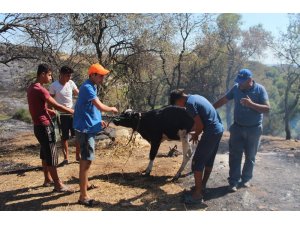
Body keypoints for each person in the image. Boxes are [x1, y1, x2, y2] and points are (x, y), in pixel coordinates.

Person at [214, 68, 270, 192]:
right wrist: (210, 108)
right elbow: (224, 100)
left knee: (250, 156)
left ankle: (246, 179)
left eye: (242, 81)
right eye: (238, 81)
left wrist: (251, 104)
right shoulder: (236, 88)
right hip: (237, 128)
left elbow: (267, 109)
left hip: (254, 129)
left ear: (250, 80)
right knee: (235, 156)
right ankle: (233, 181)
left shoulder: (260, 90)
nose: (239, 84)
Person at [73, 63, 118, 207]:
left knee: (87, 159)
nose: (103, 77)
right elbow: (99, 106)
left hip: (89, 126)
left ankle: (85, 185)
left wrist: (99, 121)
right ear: (92, 75)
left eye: (104, 75)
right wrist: (111, 109)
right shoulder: (87, 87)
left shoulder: (93, 86)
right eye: (101, 75)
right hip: (85, 129)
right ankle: (83, 196)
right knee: (86, 161)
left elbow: (92, 108)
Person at [170, 89, 224, 204]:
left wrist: (196, 135)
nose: (179, 106)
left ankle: (197, 195)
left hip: (211, 131)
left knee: (197, 162)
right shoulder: (196, 96)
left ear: (179, 100)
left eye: (176, 104)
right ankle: (202, 186)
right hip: (218, 129)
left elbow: (200, 125)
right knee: (209, 159)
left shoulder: (189, 105)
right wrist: (195, 130)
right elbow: (202, 119)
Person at [27, 64, 74, 191]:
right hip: (45, 126)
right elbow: (57, 105)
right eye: (49, 75)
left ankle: (47, 179)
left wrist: (48, 110)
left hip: (38, 126)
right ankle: (58, 185)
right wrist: (71, 111)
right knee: (52, 154)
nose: (50, 77)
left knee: (44, 152)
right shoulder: (41, 90)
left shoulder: (31, 87)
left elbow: (37, 106)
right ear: (42, 74)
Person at [49, 66, 80, 165]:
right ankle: (66, 158)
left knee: (77, 134)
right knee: (64, 137)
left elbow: (78, 94)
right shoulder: (54, 86)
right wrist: (52, 112)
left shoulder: (71, 83)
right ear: (61, 75)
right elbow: (50, 101)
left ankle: (78, 156)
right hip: (61, 115)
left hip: (73, 113)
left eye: (70, 75)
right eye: (67, 75)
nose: (69, 77)